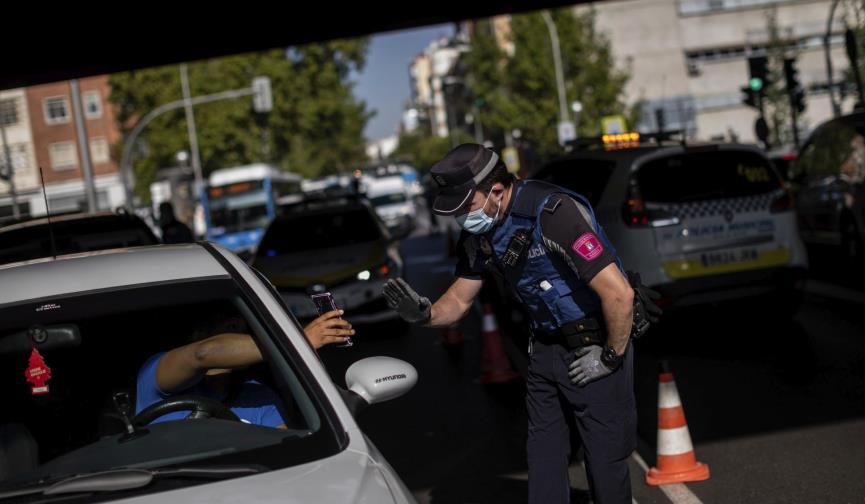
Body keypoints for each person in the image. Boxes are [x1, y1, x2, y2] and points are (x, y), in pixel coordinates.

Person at [383, 143, 660, 504]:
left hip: (597, 345)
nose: (460, 218)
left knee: (604, 463)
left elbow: (619, 295)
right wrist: (424, 314)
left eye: (466, 206)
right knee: (543, 458)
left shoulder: (553, 214)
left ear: (496, 190)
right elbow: (459, 300)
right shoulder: (479, 236)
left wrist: (609, 356)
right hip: (546, 349)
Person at [135, 309, 354, 428]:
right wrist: (297, 342)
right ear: (196, 335)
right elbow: (203, 353)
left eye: (244, 330)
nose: (241, 336)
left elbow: (282, 450)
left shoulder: (259, 396)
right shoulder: (155, 375)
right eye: (229, 328)